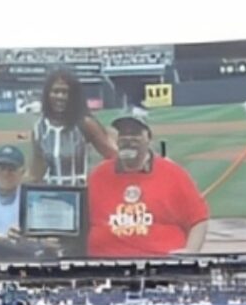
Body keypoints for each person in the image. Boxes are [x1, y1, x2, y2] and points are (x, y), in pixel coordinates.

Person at [87, 108, 209, 258]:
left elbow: (198, 219)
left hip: (160, 264)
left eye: (135, 134)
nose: (128, 139)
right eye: (123, 134)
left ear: (148, 138)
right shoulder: (98, 175)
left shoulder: (173, 174)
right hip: (107, 265)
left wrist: (191, 252)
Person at [28, 68, 116, 187]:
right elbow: (36, 172)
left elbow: (113, 155)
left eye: (65, 92)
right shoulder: (40, 128)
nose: (60, 96)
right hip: (49, 196)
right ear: (47, 94)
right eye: (55, 91)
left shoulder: (84, 123)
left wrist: (100, 179)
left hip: (80, 195)